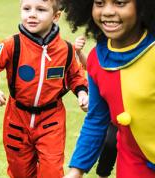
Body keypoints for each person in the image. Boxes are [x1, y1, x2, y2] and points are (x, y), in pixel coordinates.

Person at [0, 0, 88, 177]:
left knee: (51, 170)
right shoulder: (12, 44)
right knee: (19, 171)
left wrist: (82, 93)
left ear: (56, 16)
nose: (32, 14)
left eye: (41, 9)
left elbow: (76, 75)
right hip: (17, 118)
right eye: (27, 9)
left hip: (52, 119)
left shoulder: (66, 50)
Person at [62, 0, 155, 177]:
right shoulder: (97, 59)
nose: (107, 11)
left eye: (120, 3)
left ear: (142, 6)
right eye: (99, 3)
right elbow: (96, 119)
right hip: (134, 162)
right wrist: (76, 170)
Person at [75, 36, 118, 178]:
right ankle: (103, 174)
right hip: (113, 115)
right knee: (110, 143)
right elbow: (95, 69)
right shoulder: (100, 50)